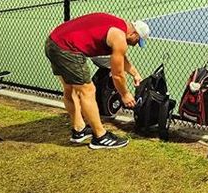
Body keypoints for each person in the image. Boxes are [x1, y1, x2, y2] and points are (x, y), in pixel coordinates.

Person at [44, 13, 149, 149]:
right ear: (133, 34)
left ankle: (79, 129)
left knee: (71, 89)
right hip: (67, 49)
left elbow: (121, 57)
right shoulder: (119, 36)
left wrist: (135, 74)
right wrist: (124, 94)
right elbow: (117, 74)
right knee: (88, 90)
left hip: (53, 41)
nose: (135, 44)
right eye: (137, 41)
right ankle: (100, 137)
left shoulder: (118, 25)